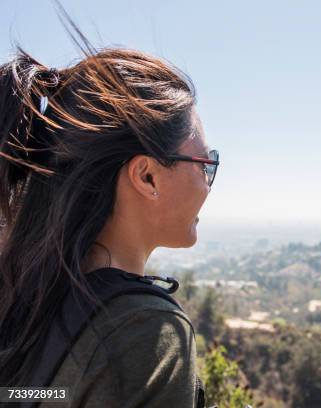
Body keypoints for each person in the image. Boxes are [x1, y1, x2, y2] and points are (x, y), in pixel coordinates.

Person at [0, 18, 218, 407]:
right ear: (147, 175)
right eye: (205, 163)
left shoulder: (23, 297)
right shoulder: (147, 331)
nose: (207, 182)